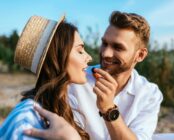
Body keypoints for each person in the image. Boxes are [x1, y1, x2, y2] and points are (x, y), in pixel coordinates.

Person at [25, 11, 163, 140]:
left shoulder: (150, 94)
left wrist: (109, 110)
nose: (106, 53)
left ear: (140, 55)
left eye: (118, 47)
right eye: (104, 43)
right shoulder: (75, 78)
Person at [0, 15, 92, 140]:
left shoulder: (60, 106)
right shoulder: (26, 122)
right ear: (57, 57)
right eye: (80, 51)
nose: (89, 57)